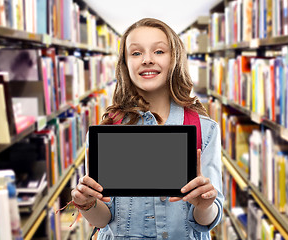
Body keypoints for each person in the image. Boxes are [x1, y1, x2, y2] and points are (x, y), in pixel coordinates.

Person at [71, 18, 224, 239]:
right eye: (136, 53)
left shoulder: (204, 130)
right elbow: (104, 219)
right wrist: (87, 204)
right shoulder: (107, 132)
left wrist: (204, 206)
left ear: (174, 59)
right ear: (125, 64)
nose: (147, 60)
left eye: (159, 51)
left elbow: (208, 221)